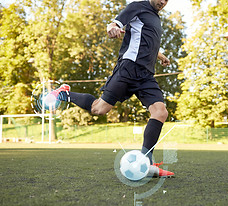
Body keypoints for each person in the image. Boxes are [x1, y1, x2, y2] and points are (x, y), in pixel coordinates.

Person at [52, 0, 174, 177]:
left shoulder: (155, 18)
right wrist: (113, 27)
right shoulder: (138, 6)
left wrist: (161, 56)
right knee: (98, 109)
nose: (163, 1)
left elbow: (146, 41)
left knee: (160, 112)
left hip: (146, 75)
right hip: (128, 69)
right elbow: (116, 23)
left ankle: (146, 161)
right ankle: (64, 93)